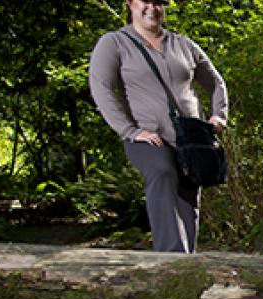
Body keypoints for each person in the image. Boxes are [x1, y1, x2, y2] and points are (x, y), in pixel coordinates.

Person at [88, 0, 228, 253]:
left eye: (158, 2)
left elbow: (216, 83)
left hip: (190, 137)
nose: (151, 7)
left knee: (188, 199)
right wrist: (130, 131)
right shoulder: (114, 43)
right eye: (145, 1)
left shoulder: (183, 44)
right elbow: (102, 89)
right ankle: (169, 260)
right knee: (163, 171)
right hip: (146, 137)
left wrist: (219, 115)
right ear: (130, 4)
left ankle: (186, 267)